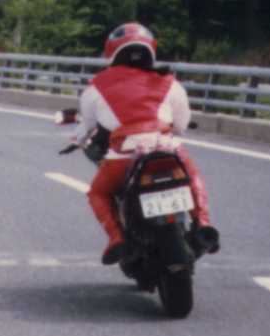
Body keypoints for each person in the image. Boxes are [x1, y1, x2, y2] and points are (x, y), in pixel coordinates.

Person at [72, 22, 219, 264]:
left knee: (98, 193)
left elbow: (87, 126)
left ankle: (117, 239)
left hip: (123, 156)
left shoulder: (95, 86)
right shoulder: (170, 82)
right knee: (192, 177)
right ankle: (203, 223)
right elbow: (181, 125)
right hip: (167, 149)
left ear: (112, 52)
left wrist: (77, 138)